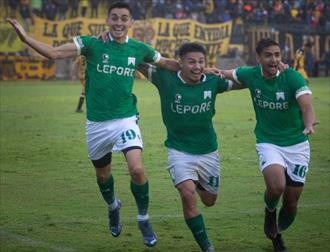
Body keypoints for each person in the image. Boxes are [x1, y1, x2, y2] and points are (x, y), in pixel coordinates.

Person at [7, 1, 179, 248]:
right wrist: (25, 38)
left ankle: (143, 218)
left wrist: (200, 69)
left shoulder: (139, 48)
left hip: (125, 118)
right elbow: (54, 53)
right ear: (107, 21)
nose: (119, 22)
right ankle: (113, 206)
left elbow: (169, 64)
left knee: (137, 170)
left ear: (131, 22)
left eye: (124, 18)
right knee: (102, 175)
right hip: (97, 125)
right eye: (114, 18)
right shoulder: (91, 44)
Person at [138, 42, 243, 252]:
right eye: (191, 61)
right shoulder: (164, 78)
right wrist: (116, 41)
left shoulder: (213, 81)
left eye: (201, 62)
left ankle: (200, 183)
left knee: (210, 201)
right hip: (179, 151)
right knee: (187, 194)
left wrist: (272, 72)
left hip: (208, 151)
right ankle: (207, 247)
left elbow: (247, 81)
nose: (197, 66)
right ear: (180, 63)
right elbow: (136, 60)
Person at [218, 38, 317, 252]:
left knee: (291, 203)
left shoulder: (292, 77)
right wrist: (204, 70)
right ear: (259, 58)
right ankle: (269, 211)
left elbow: (307, 105)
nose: (274, 59)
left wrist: (309, 124)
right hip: (268, 141)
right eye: (269, 55)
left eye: (277, 55)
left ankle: (277, 233)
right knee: (276, 186)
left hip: (297, 144)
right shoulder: (250, 74)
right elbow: (226, 74)